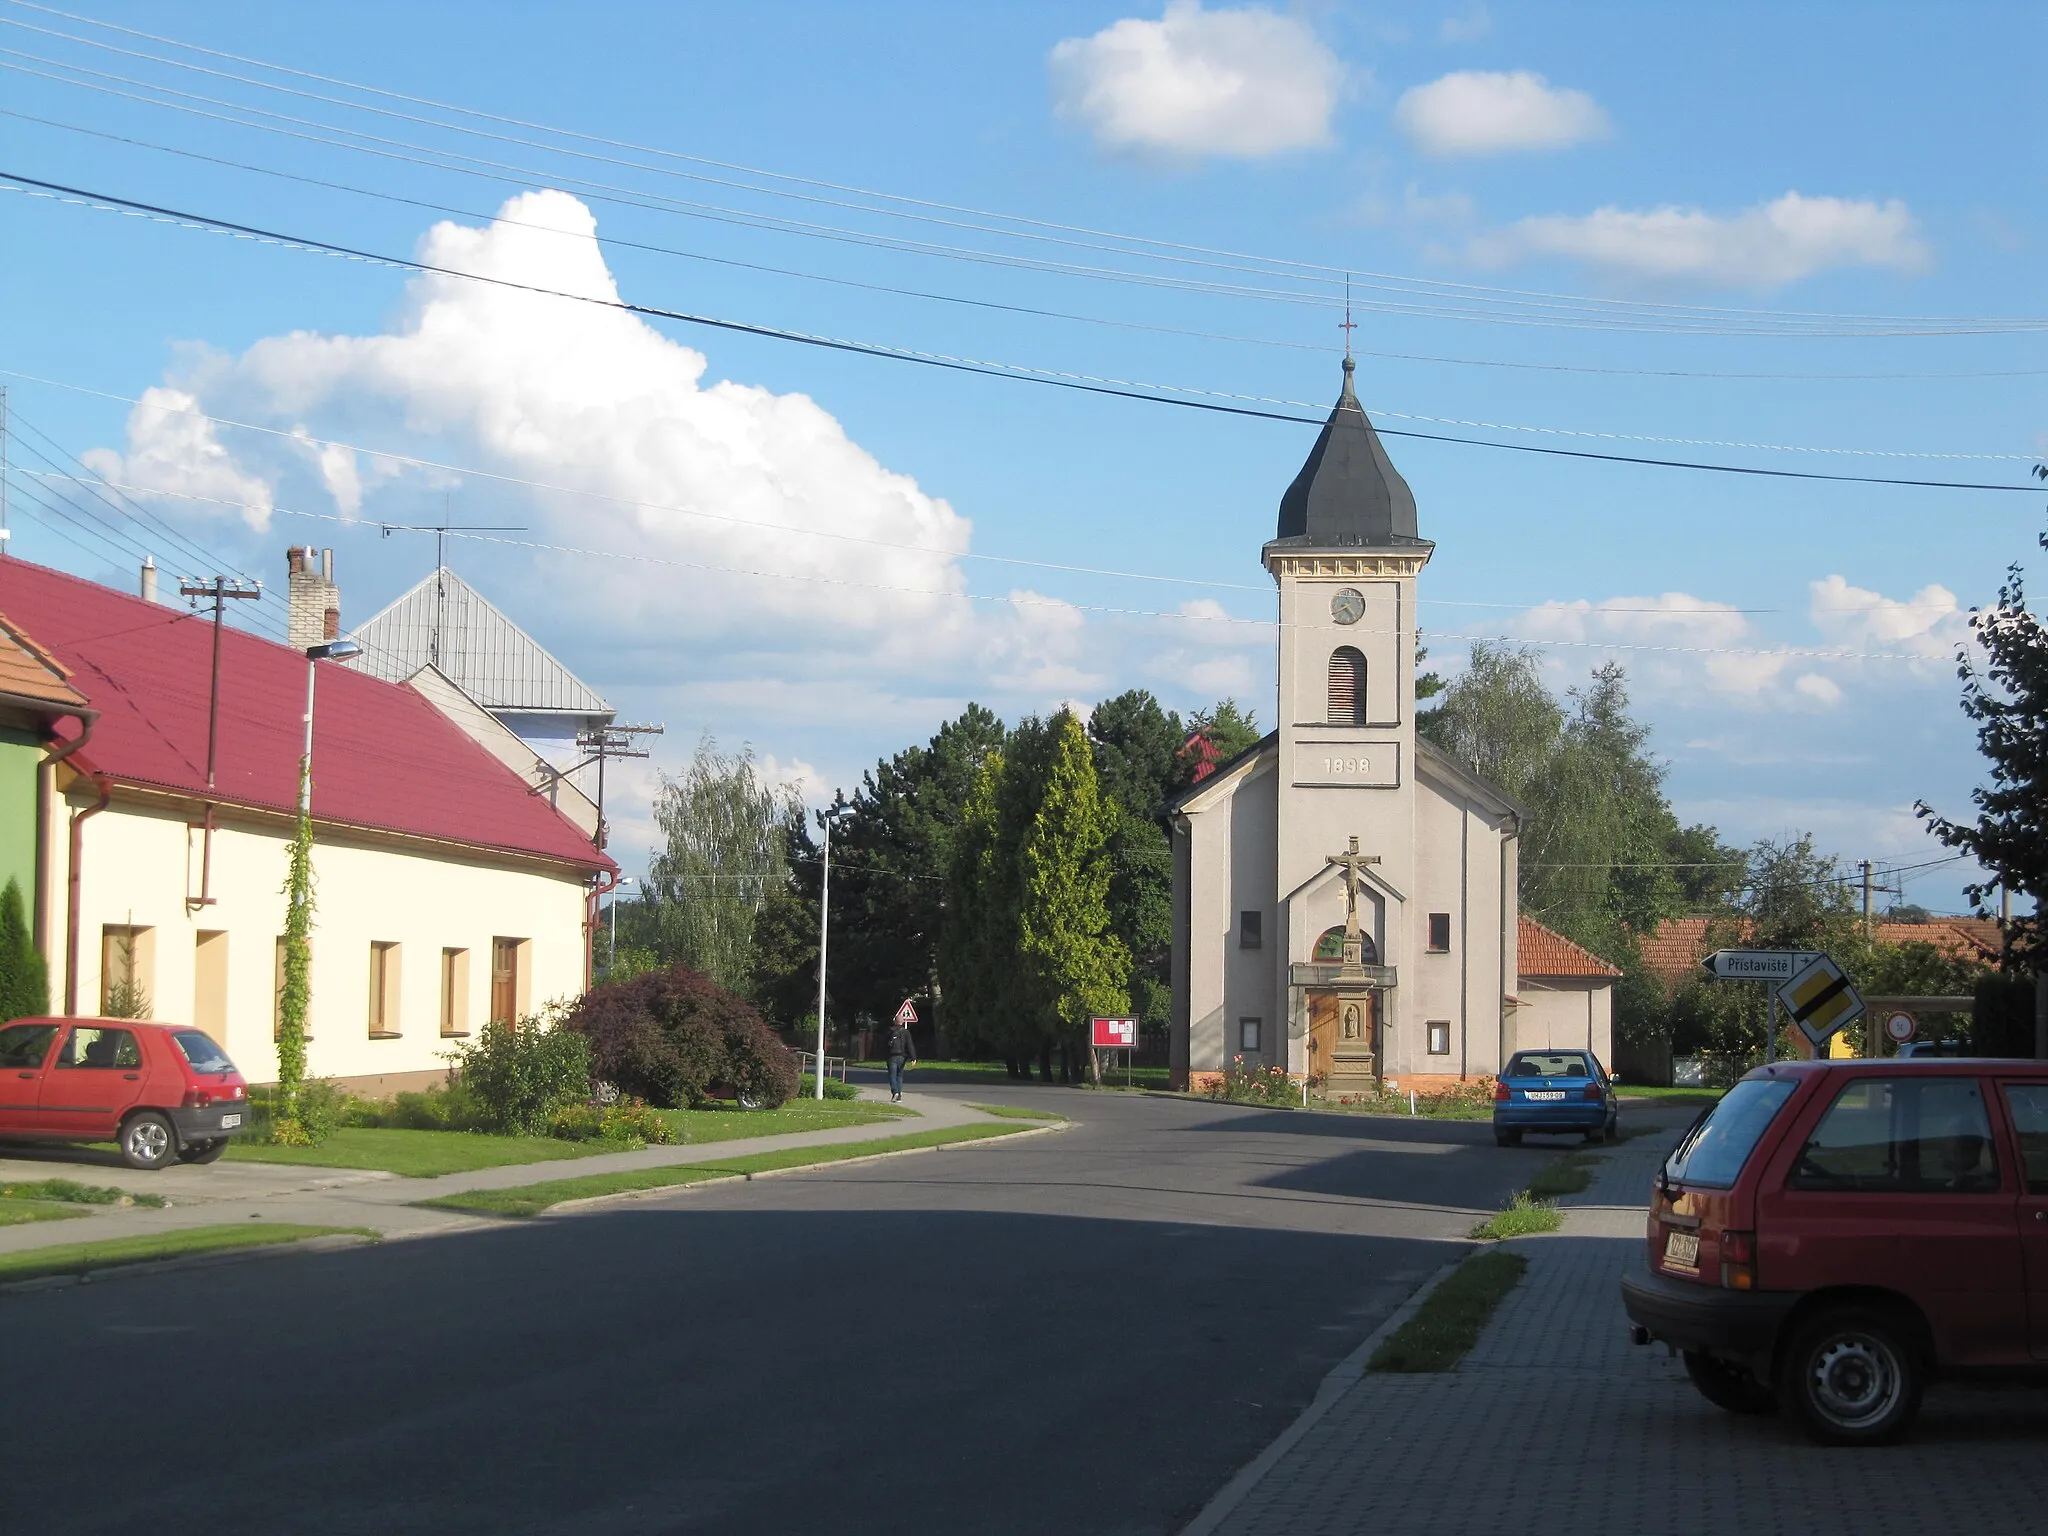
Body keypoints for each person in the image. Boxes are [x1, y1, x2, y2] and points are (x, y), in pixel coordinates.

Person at [885, 1018, 918, 1102]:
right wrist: (913, 1057)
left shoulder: (889, 1031)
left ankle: (895, 1092)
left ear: (894, 1021)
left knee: (892, 1075)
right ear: (902, 1022)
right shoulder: (906, 1032)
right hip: (902, 1057)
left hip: (891, 1056)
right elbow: (910, 1044)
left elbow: (884, 1043)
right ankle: (899, 1094)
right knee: (899, 1076)